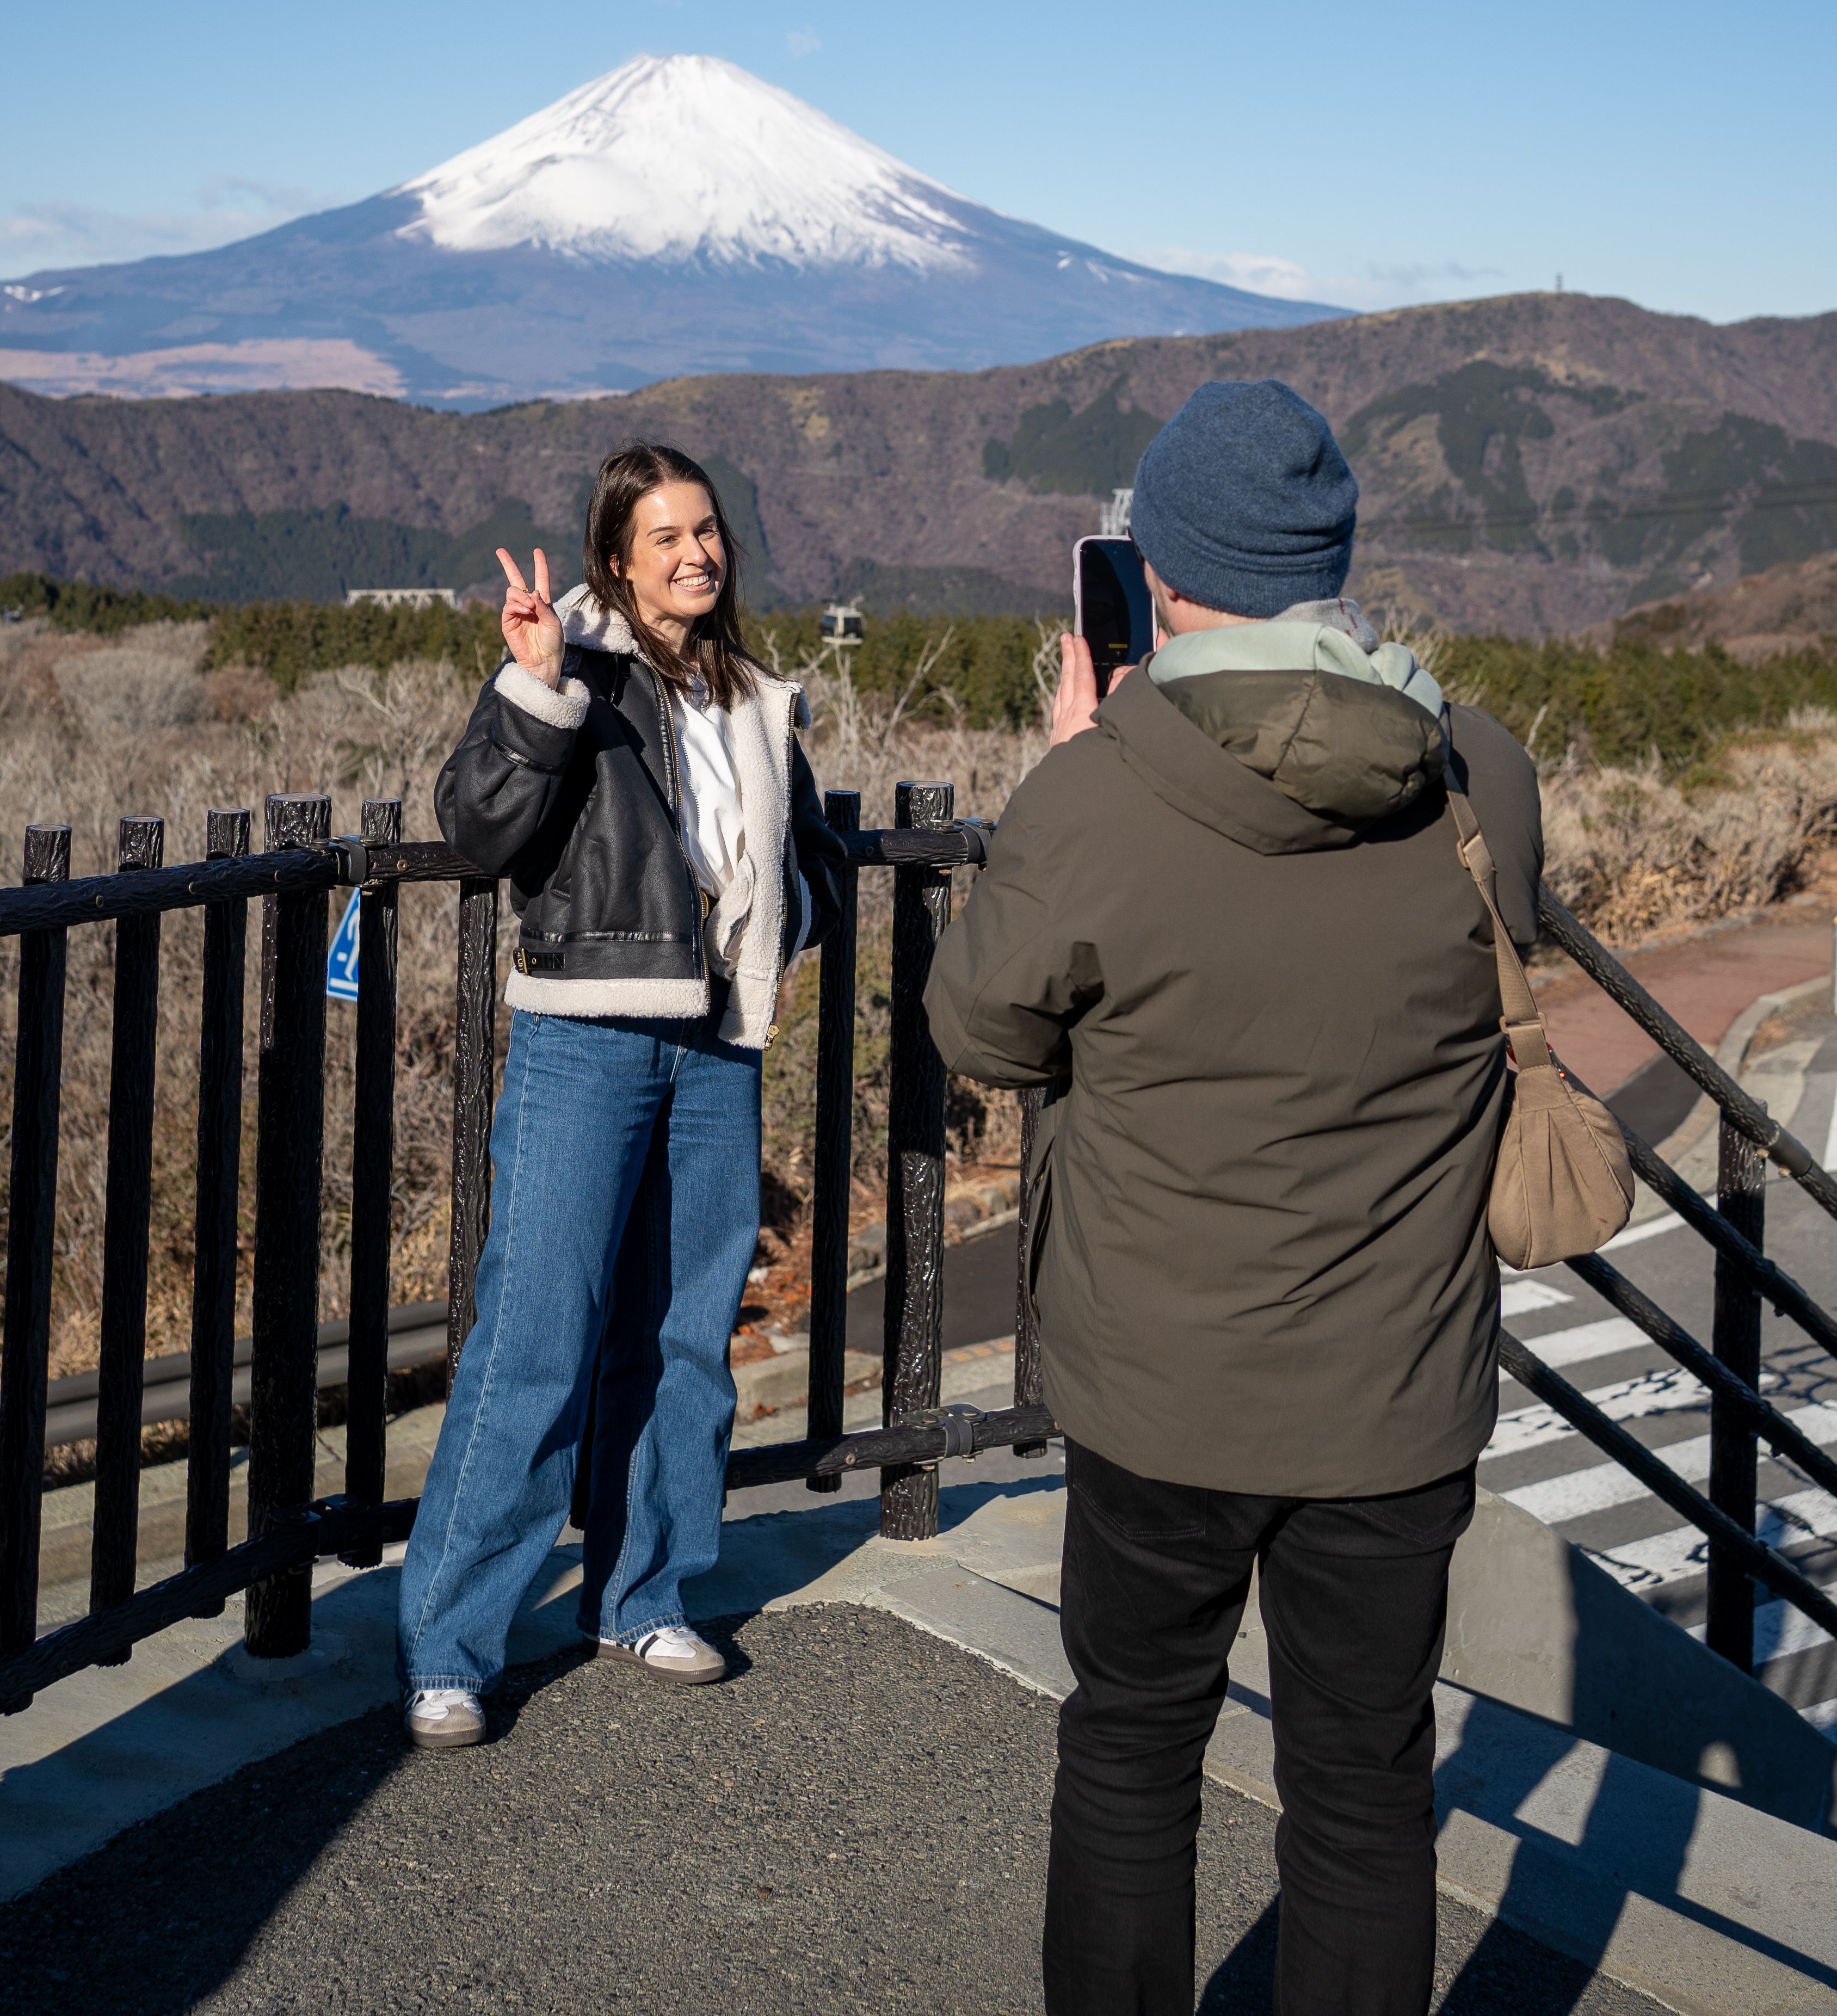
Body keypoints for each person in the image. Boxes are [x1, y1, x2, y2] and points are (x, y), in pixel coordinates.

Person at [924, 379, 1542, 2016]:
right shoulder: (1481, 775)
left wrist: (1062, 778)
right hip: (1395, 1398)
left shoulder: (1103, 792)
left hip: (1160, 1384)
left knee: (1132, 1754)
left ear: (1160, 573)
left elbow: (979, 1025)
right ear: (1333, 556)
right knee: (1363, 1793)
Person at [397, 442, 846, 1746]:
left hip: (715, 1044)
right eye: (665, 538)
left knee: (684, 1334)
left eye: (706, 530)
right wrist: (530, 690)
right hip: (585, 1039)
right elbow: (479, 829)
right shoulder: (571, 674)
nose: (696, 554)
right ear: (613, 558)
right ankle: (451, 1644)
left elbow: (805, 850)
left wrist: (786, 915)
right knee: (535, 1338)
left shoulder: (753, 695)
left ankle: (641, 1591)